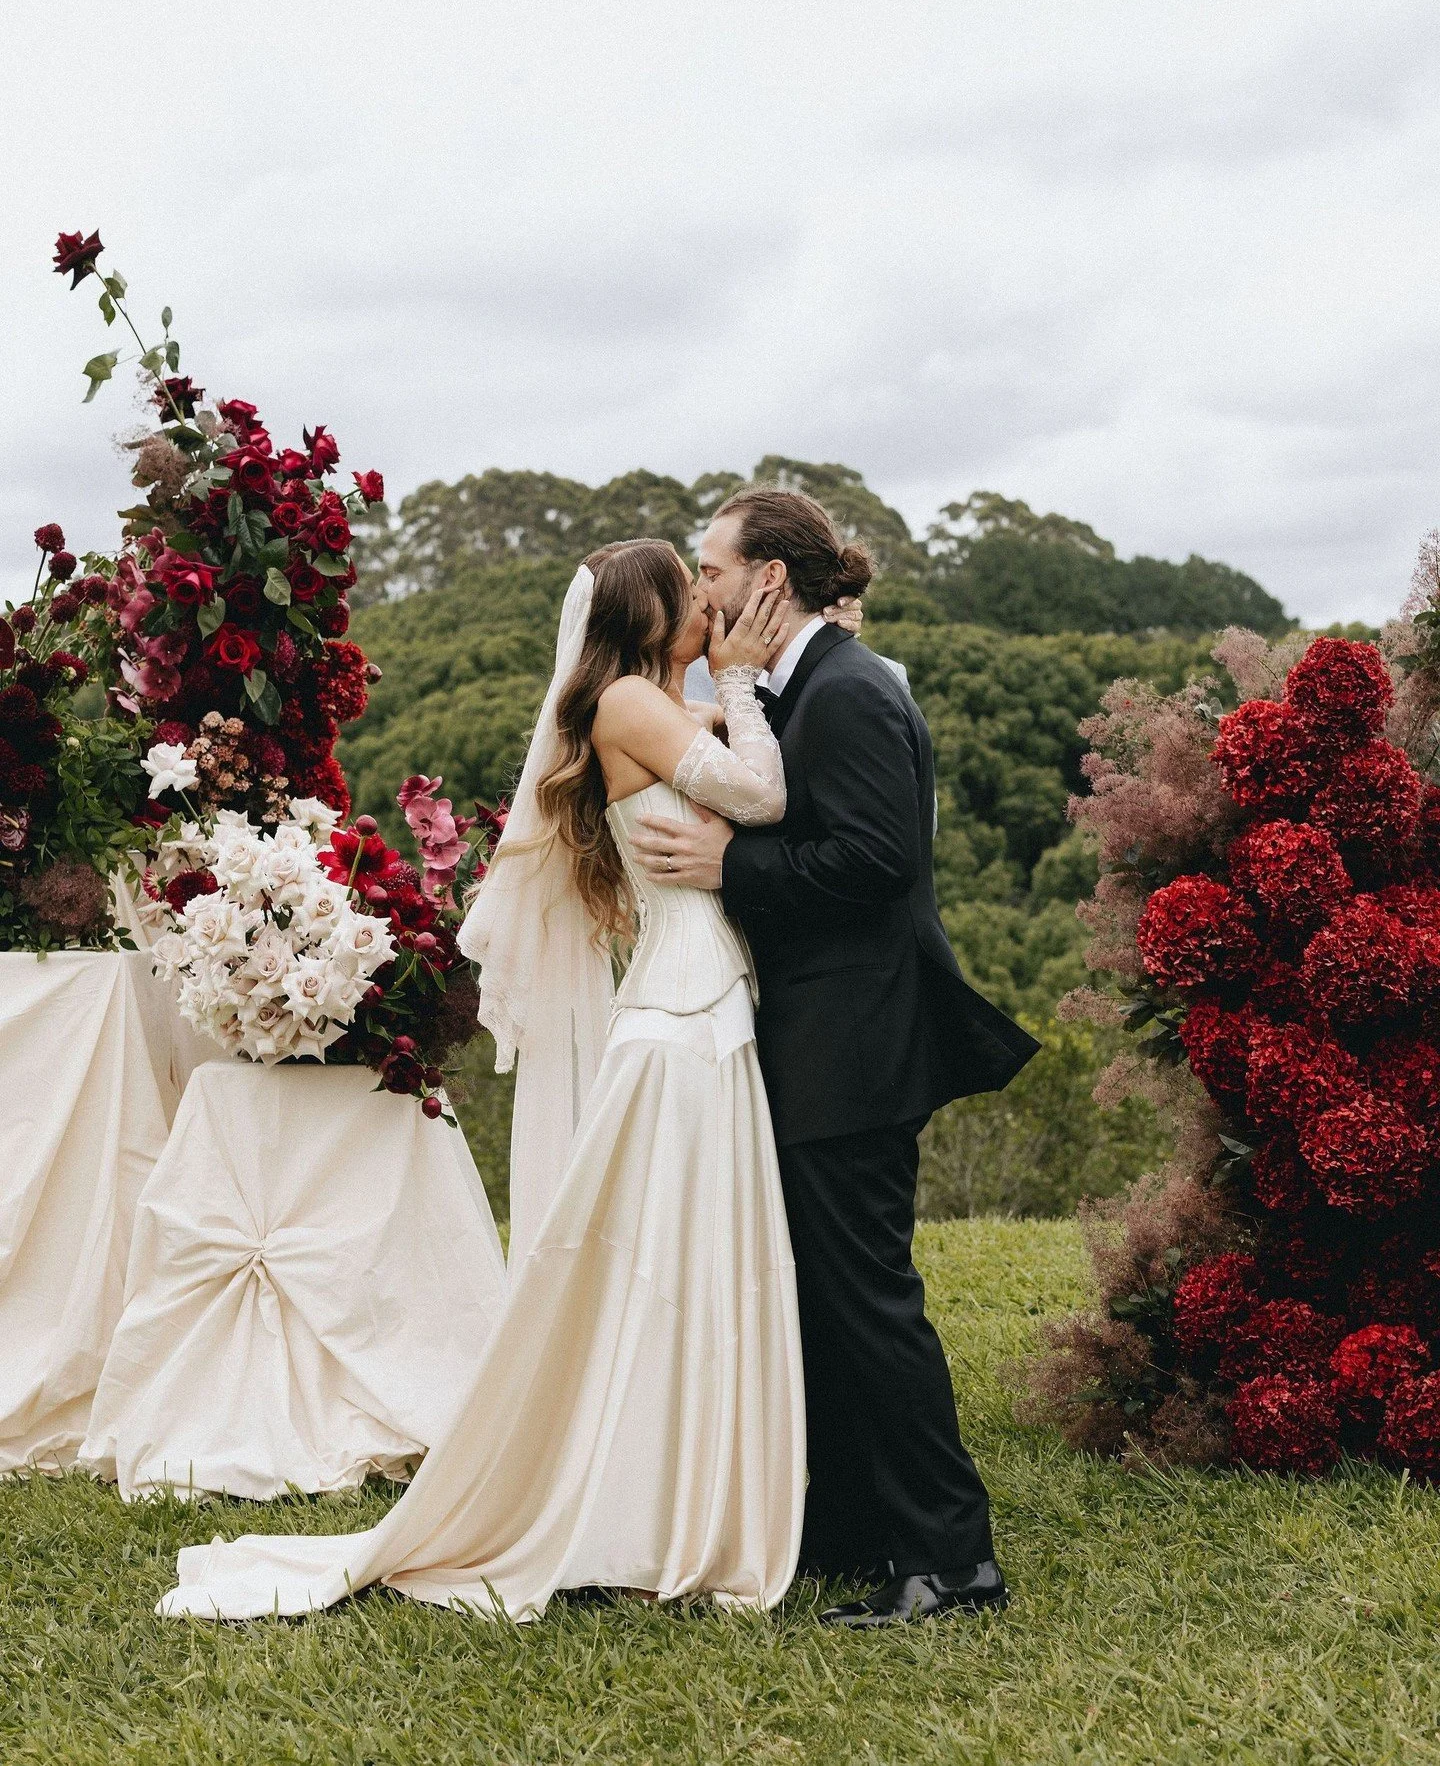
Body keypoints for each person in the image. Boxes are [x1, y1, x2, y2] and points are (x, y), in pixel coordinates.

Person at [157, 540, 808, 1622]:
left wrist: (734, 679)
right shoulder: (631, 703)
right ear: (649, 614)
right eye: (693, 593)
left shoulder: (654, 702)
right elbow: (766, 795)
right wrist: (739, 678)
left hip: (700, 1001)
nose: (712, 603)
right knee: (667, 1255)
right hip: (682, 1018)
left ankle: (668, 1482)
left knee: (692, 1252)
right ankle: (644, 1491)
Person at [631, 489, 1039, 1628]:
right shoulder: (789, 685)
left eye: (711, 565)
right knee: (822, 1293)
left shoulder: (851, 690)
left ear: (768, 578)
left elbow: (876, 861)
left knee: (869, 1301)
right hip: (817, 1031)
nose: (698, 586)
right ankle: (856, 1527)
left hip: (856, 1038)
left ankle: (954, 1562)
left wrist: (729, 866)